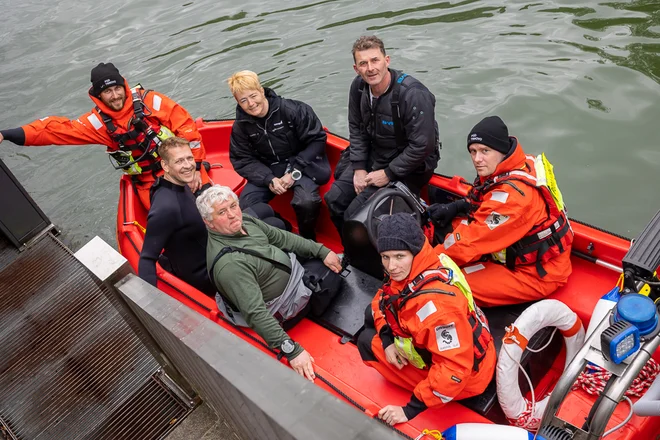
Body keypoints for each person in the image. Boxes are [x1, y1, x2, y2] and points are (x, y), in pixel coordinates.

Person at [0, 62, 210, 209]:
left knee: (211, 203)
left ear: (124, 86)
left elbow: (187, 129)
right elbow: (53, 130)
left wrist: (196, 168)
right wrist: (6, 134)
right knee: (172, 218)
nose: (115, 95)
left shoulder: (151, 101)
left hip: (183, 166)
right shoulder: (96, 124)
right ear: (98, 95)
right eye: (108, 91)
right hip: (148, 181)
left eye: (117, 88)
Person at [357, 213, 495, 425]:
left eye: (399, 256)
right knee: (371, 314)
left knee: (365, 343)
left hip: (467, 378)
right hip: (463, 349)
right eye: (385, 257)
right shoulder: (426, 263)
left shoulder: (437, 308)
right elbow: (384, 298)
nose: (391, 266)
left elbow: (454, 371)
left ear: (414, 252)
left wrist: (409, 411)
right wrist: (387, 340)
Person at [196, 185, 343, 382]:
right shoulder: (230, 265)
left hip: (278, 268)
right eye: (222, 212)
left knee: (312, 251)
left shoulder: (243, 221)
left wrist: (321, 250)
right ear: (209, 223)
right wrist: (291, 350)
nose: (232, 215)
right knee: (332, 275)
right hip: (281, 305)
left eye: (233, 206)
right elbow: (256, 314)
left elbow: (279, 237)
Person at [429, 116, 573, 307]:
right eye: (473, 151)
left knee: (447, 282)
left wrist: (426, 265)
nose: (477, 159)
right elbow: (485, 193)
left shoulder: (514, 198)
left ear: (501, 151)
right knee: (442, 230)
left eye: (484, 151)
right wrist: (460, 205)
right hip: (518, 248)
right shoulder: (518, 164)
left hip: (536, 273)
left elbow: (468, 243)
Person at [324, 35, 440, 236]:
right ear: (356, 69)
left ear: (387, 60)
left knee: (357, 216)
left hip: (411, 165)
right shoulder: (358, 87)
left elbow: (423, 146)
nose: (370, 68)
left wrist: (388, 173)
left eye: (375, 60)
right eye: (363, 63)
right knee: (334, 199)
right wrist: (359, 168)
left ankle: (374, 256)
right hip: (376, 153)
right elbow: (357, 128)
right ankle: (351, 252)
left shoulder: (412, 94)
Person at [227, 70, 330, 240]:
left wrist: (295, 170)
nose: (251, 104)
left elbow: (317, 140)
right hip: (268, 169)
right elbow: (242, 159)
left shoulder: (293, 110)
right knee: (245, 207)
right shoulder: (240, 127)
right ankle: (284, 230)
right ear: (237, 102)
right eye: (243, 100)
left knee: (306, 201)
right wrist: (268, 179)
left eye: (253, 96)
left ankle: (307, 238)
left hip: (303, 165)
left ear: (261, 91)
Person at [138, 137, 215, 296]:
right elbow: (147, 258)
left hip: (206, 251)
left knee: (264, 212)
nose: (188, 165)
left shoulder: (168, 184)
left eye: (189, 158)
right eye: (179, 161)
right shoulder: (166, 208)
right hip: (206, 275)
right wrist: (151, 301)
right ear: (165, 166)